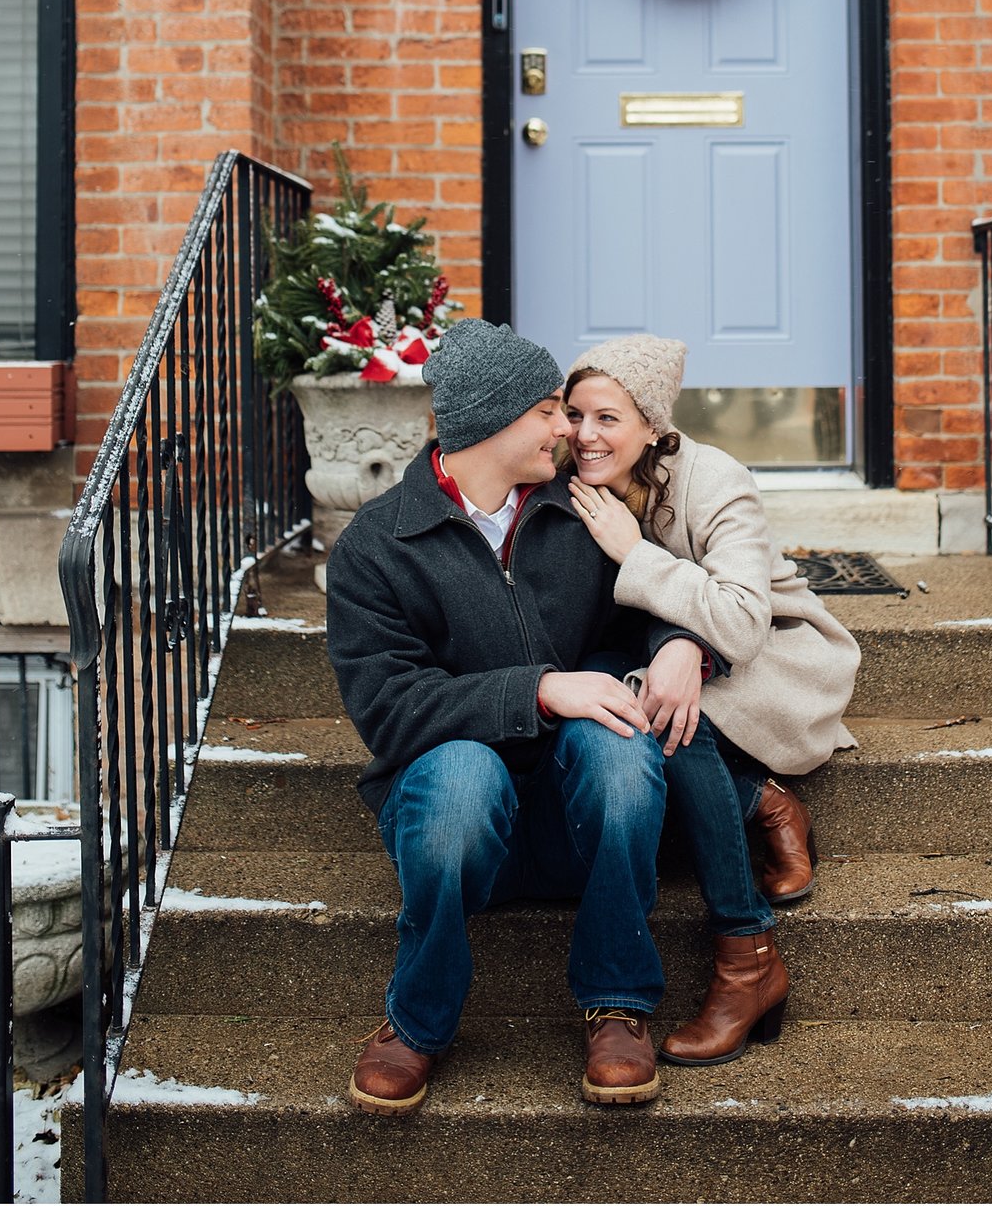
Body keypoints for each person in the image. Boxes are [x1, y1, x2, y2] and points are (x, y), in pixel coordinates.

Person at [326, 319, 716, 1115]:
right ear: (491, 420)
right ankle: (419, 1021)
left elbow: (647, 606)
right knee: (462, 771)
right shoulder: (377, 547)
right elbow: (390, 710)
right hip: (459, 828)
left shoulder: (584, 511)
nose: (568, 428)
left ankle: (618, 1005)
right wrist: (539, 689)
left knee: (619, 747)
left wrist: (680, 643)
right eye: (548, 410)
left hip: (579, 823)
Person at [562, 335, 861, 1068]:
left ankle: (746, 953)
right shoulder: (571, 484)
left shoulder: (716, 479)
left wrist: (641, 566)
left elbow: (738, 620)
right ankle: (760, 797)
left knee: (672, 719)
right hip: (647, 660)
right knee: (644, 709)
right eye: (574, 414)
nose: (584, 435)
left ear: (653, 427)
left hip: (771, 658)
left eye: (607, 419)